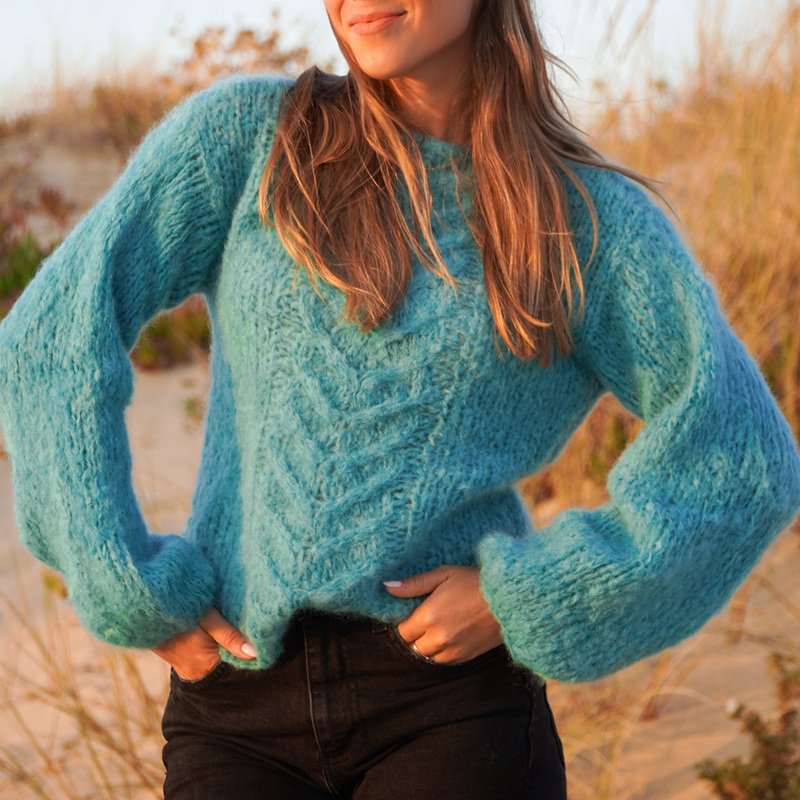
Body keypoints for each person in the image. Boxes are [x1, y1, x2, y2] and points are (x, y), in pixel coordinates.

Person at [0, 0, 798, 797]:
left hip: (450, 710)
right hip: (235, 709)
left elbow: (741, 459)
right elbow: (50, 338)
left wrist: (530, 596)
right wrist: (124, 584)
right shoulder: (250, 140)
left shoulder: (582, 220)